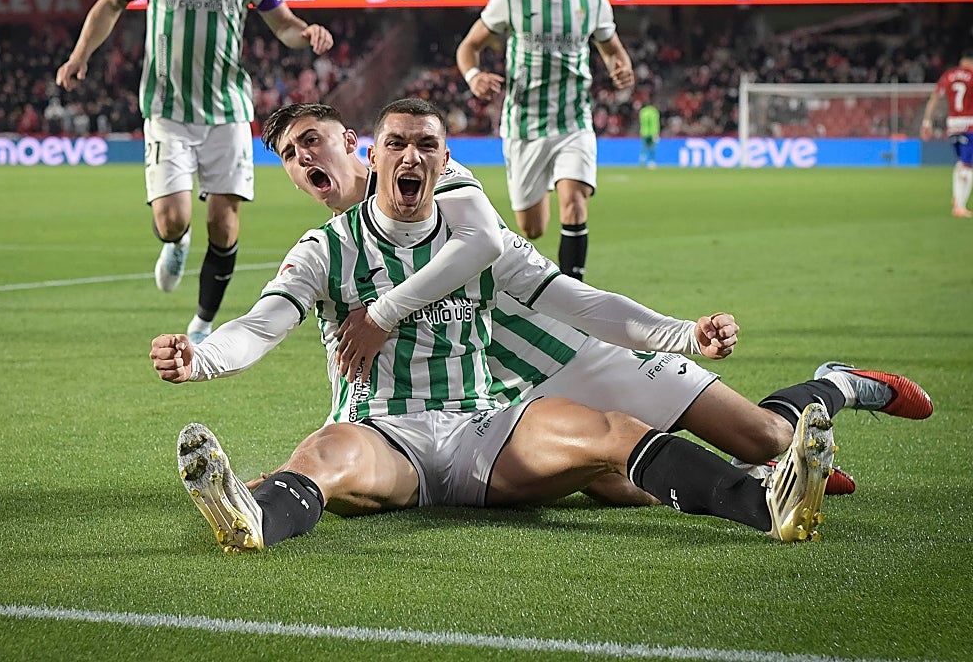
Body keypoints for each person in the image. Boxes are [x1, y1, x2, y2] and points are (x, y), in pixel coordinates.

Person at [154, 98, 847, 553]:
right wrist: (202, 358)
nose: (411, 156)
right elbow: (263, 325)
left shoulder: (480, 239)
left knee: (614, 436)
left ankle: (767, 503)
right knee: (322, 454)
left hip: (486, 423)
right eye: (397, 144)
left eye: (426, 145)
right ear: (375, 155)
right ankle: (253, 518)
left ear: (444, 159)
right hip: (385, 433)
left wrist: (683, 334)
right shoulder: (324, 249)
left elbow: (586, 304)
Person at [256, 102, 932, 502]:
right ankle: (753, 480)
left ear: (354, 143)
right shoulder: (336, 245)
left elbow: (486, 242)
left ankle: (835, 385)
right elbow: (365, 390)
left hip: (579, 350)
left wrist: (384, 312)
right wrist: (305, 472)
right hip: (502, 400)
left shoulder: (435, 173)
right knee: (620, 484)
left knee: (767, 436)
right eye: (290, 154)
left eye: (313, 140)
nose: (306, 159)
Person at [56, 0, 334, 343]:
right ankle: (175, 242)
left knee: (224, 226)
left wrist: (306, 32)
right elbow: (111, 3)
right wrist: (80, 56)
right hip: (167, 107)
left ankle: (203, 324)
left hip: (227, 108)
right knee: (172, 220)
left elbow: (282, 22)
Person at [456, 0, 634, 281]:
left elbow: (612, 49)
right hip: (524, 126)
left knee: (574, 202)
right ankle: (550, 185)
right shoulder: (511, 0)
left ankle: (574, 295)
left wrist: (621, 68)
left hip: (574, 121)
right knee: (532, 228)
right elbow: (468, 47)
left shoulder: (592, 1)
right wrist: (474, 76)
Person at [919, 48, 973, 218]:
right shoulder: (972, 76)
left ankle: (957, 198)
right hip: (969, 124)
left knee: (961, 163)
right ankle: (960, 206)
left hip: (953, 125)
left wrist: (927, 122)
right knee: (968, 166)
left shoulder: (948, 76)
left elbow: (935, 98)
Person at [639, 101, 660, 168]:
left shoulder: (643, 111)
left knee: (645, 146)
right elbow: (655, 123)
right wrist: (656, 133)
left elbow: (642, 122)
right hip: (652, 132)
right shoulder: (654, 111)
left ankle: (642, 159)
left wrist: (641, 131)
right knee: (652, 147)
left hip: (644, 132)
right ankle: (652, 162)